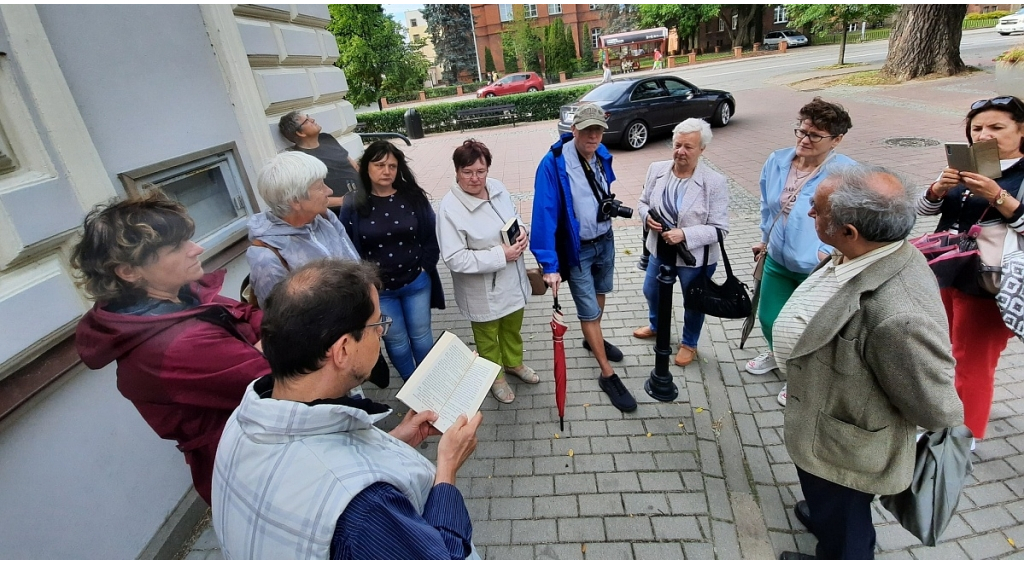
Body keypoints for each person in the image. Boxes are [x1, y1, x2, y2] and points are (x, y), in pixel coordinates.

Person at [212, 259, 482, 559]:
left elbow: (322, 458)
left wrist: (394, 440)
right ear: (342, 350)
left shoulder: (242, 419)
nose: (381, 333)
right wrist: (447, 467)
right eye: (377, 325)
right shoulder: (365, 508)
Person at [776, 165, 963, 560]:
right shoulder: (870, 250)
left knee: (845, 517)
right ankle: (829, 521)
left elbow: (938, 406)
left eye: (817, 210)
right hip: (823, 427)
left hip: (845, 443)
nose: (810, 214)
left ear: (850, 232)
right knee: (829, 502)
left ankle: (842, 549)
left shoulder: (898, 315)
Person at [73, 194, 267, 505]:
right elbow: (279, 380)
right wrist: (272, 342)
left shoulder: (179, 297)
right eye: (177, 247)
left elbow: (254, 317)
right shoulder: (176, 345)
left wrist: (261, 342)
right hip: (255, 467)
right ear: (129, 271)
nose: (197, 248)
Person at [917, 95, 1024, 447]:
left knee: (974, 360)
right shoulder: (966, 165)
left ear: (1021, 131)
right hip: (948, 270)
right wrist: (937, 189)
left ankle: (964, 436)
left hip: (991, 280)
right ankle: (945, 415)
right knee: (945, 349)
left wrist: (999, 197)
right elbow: (925, 208)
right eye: (976, 128)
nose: (983, 135)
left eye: (996, 127)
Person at [746, 97, 856, 407]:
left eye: (815, 135)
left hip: (817, 267)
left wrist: (827, 252)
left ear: (836, 139)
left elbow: (852, 219)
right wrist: (765, 239)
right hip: (778, 258)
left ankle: (801, 376)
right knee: (769, 318)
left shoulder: (846, 172)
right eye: (801, 131)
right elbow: (768, 206)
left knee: (808, 328)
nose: (804, 140)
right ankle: (777, 353)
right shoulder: (777, 160)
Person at [531, 102, 636, 413]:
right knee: (588, 310)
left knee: (601, 291)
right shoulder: (553, 163)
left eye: (598, 130)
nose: (593, 136)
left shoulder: (601, 154)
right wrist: (549, 265)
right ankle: (607, 374)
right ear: (573, 129)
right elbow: (544, 216)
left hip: (605, 239)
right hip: (576, 249)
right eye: (587, 129)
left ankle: (593, 341)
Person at [437, 140, 537, 404]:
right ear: (457, 171)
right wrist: (499, 255)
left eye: (481, 171)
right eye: (467, 172)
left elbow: (514, 217)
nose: (475, 178)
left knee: (512, 329)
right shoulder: (449, 208)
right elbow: (454, 258)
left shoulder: (498, 189)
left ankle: (514, 363)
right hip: (482, 290)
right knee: (487, 338)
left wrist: (523, 232)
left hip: (513, 281)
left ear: (488, 169)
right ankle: (495, 377)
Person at [339, 140, 445, 380]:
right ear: (366, 167)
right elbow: (346, 246)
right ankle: (413, 387)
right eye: (379, 165)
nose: (386, 171)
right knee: (395, 341)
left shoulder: (413, 197)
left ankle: (430, 383)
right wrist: (364, 284)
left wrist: (424, 267)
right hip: (380, 291)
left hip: (416, 282)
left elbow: (431, 235)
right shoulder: (353, 203)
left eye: (392, 166)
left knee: (421, 337)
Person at [634, 119, 729, 366]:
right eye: (677, 145)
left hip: (695, 258)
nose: (681, 152)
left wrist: (684, 234)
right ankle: (656, 325)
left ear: (702, 149)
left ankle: (689, 343)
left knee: (693, 301)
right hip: (660, 250)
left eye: (688, 146)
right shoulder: (656, 169)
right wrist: (647, 218)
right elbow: (643, 202)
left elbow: (720, 229)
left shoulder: (714, 182)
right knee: (651, 290)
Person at [246, 151, 360, 308]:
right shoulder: (267, 257)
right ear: (295, 201)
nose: (329, 191)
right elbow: (281, 319)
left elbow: (355, 264)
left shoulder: (325, 217)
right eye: (320, 187)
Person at [278, 111, 363, 214]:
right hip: (342, 211)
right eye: (307, 121)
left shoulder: (326, 138)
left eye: (309, 117)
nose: (312, 120)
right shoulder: (300, 159)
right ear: (300, 133)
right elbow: (307, 198)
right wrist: (344, 201)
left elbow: (352, 164)